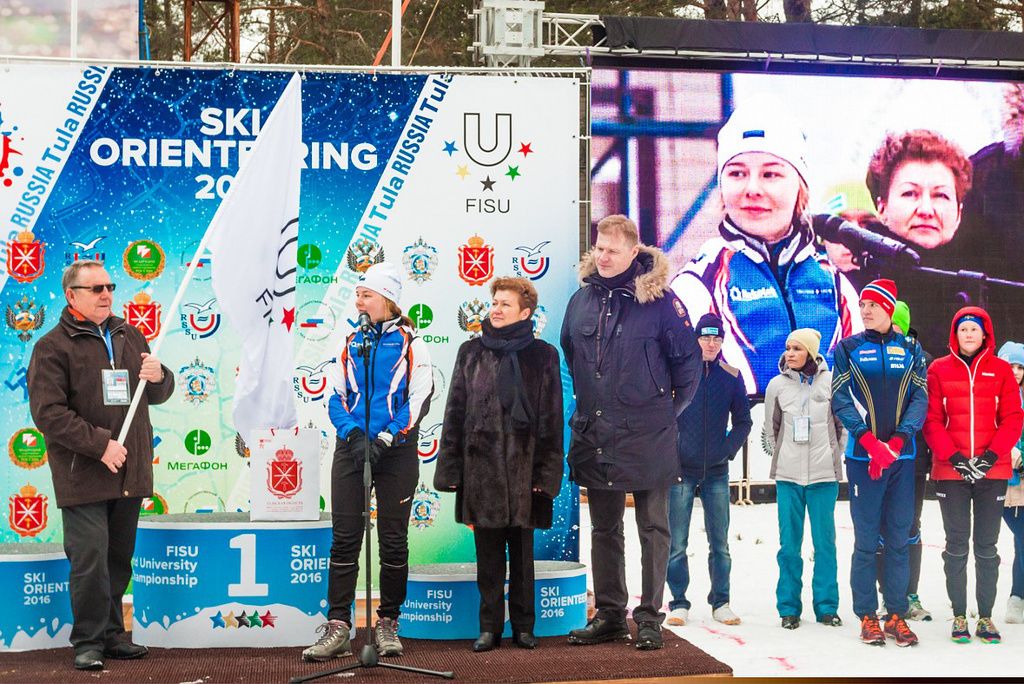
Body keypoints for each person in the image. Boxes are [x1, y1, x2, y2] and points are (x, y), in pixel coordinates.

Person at [561, 214, 702, 651]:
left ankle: (648, 617)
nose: (603, 257)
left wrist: (660, 414)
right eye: (599, 248)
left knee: (652, 528)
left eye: (613, 250)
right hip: (596, 433)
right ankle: (609, 614)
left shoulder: (661, 303)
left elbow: (689, 368)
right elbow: (572, 357)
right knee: (603, 528)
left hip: (648, 435)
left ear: (634, 253)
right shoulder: (580, 301)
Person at [27, 259, 174, 671]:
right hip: (85, 473)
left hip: (129, 471)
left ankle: (111, 635)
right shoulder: (52, 347)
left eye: (110, 286)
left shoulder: (130, 335)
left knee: (116, 559)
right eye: (96, 289)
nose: (107, 294)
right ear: (72, 295)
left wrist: (161, 375)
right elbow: (49, 414)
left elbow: (156, 393)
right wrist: (101, 446)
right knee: (90, 559)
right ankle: (87, 641)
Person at [671, 102, 861, 395]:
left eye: (770, 174)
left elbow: (862, 391)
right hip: (742, 439)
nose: (752, 189)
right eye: (736, 174)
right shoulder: (698, 284)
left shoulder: (834, 283)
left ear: (800, 185)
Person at [304, 262, 433, 662]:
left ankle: (388, 622)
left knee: (393, 541)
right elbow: (332, 394)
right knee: (345, 538)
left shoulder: (412, 343)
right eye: (358, 293)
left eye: (367, 294)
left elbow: (420, 399)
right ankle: (339, 624)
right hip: (351, 447)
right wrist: (354, 435)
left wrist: (384, 437)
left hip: (395, 451)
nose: (359, 300)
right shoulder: (349, 341)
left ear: (388, 300)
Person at [433, 276, 564, 653]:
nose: (496, 309)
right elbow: (455, 412)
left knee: (523, 559)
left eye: (505, 304)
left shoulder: (543, 356)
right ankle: (489, 627)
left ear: (525, 312)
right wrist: (453, 473)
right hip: (482, 473)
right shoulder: (470, 352)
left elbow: (552, 420)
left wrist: (545, 475)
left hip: (526, 476)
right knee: (488, 558)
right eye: (495, 302)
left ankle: (523, 627)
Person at [831, 278, 928, 647]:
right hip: (863, 459)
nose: (866, 310)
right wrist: (871, 442)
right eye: (863, 306)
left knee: (899, 538)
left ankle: (897, 615)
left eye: (873, 305)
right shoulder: (848, 348)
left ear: (889, 308)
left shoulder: (911, 348)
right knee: (867, 539)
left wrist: (899, 440)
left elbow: (919, 398)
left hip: (902, 459)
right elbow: (841, 399)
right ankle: (868, 616)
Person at [923, 307, 1024, 645]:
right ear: (956, 333)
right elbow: (932, 420)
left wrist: (990, 457)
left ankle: (984, 617)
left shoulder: (1001, 371)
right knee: (955, 546)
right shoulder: (937, 370)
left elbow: (1012, 418)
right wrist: (955, 459)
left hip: (991, 472)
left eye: (974, 329)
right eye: (963, 328)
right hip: (951, 473)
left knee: (986, 546)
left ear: (985, 335)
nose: (968, 334)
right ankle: (958, 615)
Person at [848, 129, 975, 358]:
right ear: (882, 207)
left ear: (958, 214)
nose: (926, 210)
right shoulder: (852, 289)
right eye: (910, 193)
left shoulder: (983, 291)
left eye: (941, 196)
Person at [666, 313, 751, 628]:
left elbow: (744, 421)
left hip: (716, 471)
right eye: (706, 337)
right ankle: (678, 602)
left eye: (717, 338)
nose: (711, 343)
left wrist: (726, 450)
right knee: (676, 542)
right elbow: (662, 416)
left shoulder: (731, 376)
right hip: (679, 471)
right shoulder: (678, 374)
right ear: (696, 338)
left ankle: (721, 601)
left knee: (720, 543)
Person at [762, 328, 843, 630]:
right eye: (787, 348)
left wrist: (834, 454)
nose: (790, 353)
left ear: (811, 352)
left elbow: (841, 425)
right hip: (788, 477)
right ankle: (788, 607)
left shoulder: (832, 380)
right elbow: (772, 428)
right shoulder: (776, 385)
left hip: (824, 476)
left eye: (797, 348)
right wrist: (783, 456)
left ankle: (826, 606)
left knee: (825, 545)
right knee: (789, 546)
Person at [874, 301, 934, 621]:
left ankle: (910, 593)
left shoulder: (923, 361)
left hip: (913, 459)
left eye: (895, 324)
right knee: (881, 526)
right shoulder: (867, 356)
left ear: (903, 326)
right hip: (877, 456)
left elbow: (930, 414)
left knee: (909, 524)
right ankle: (888, 596)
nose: (889, 330)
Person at [997, 341, 1024, 625]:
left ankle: (1017, 597)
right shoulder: (992, 395)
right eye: (1011, 366)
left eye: (1020, 367)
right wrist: (1012, 454)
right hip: (1002, 480)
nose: (1015, 372)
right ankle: (1015, 597)